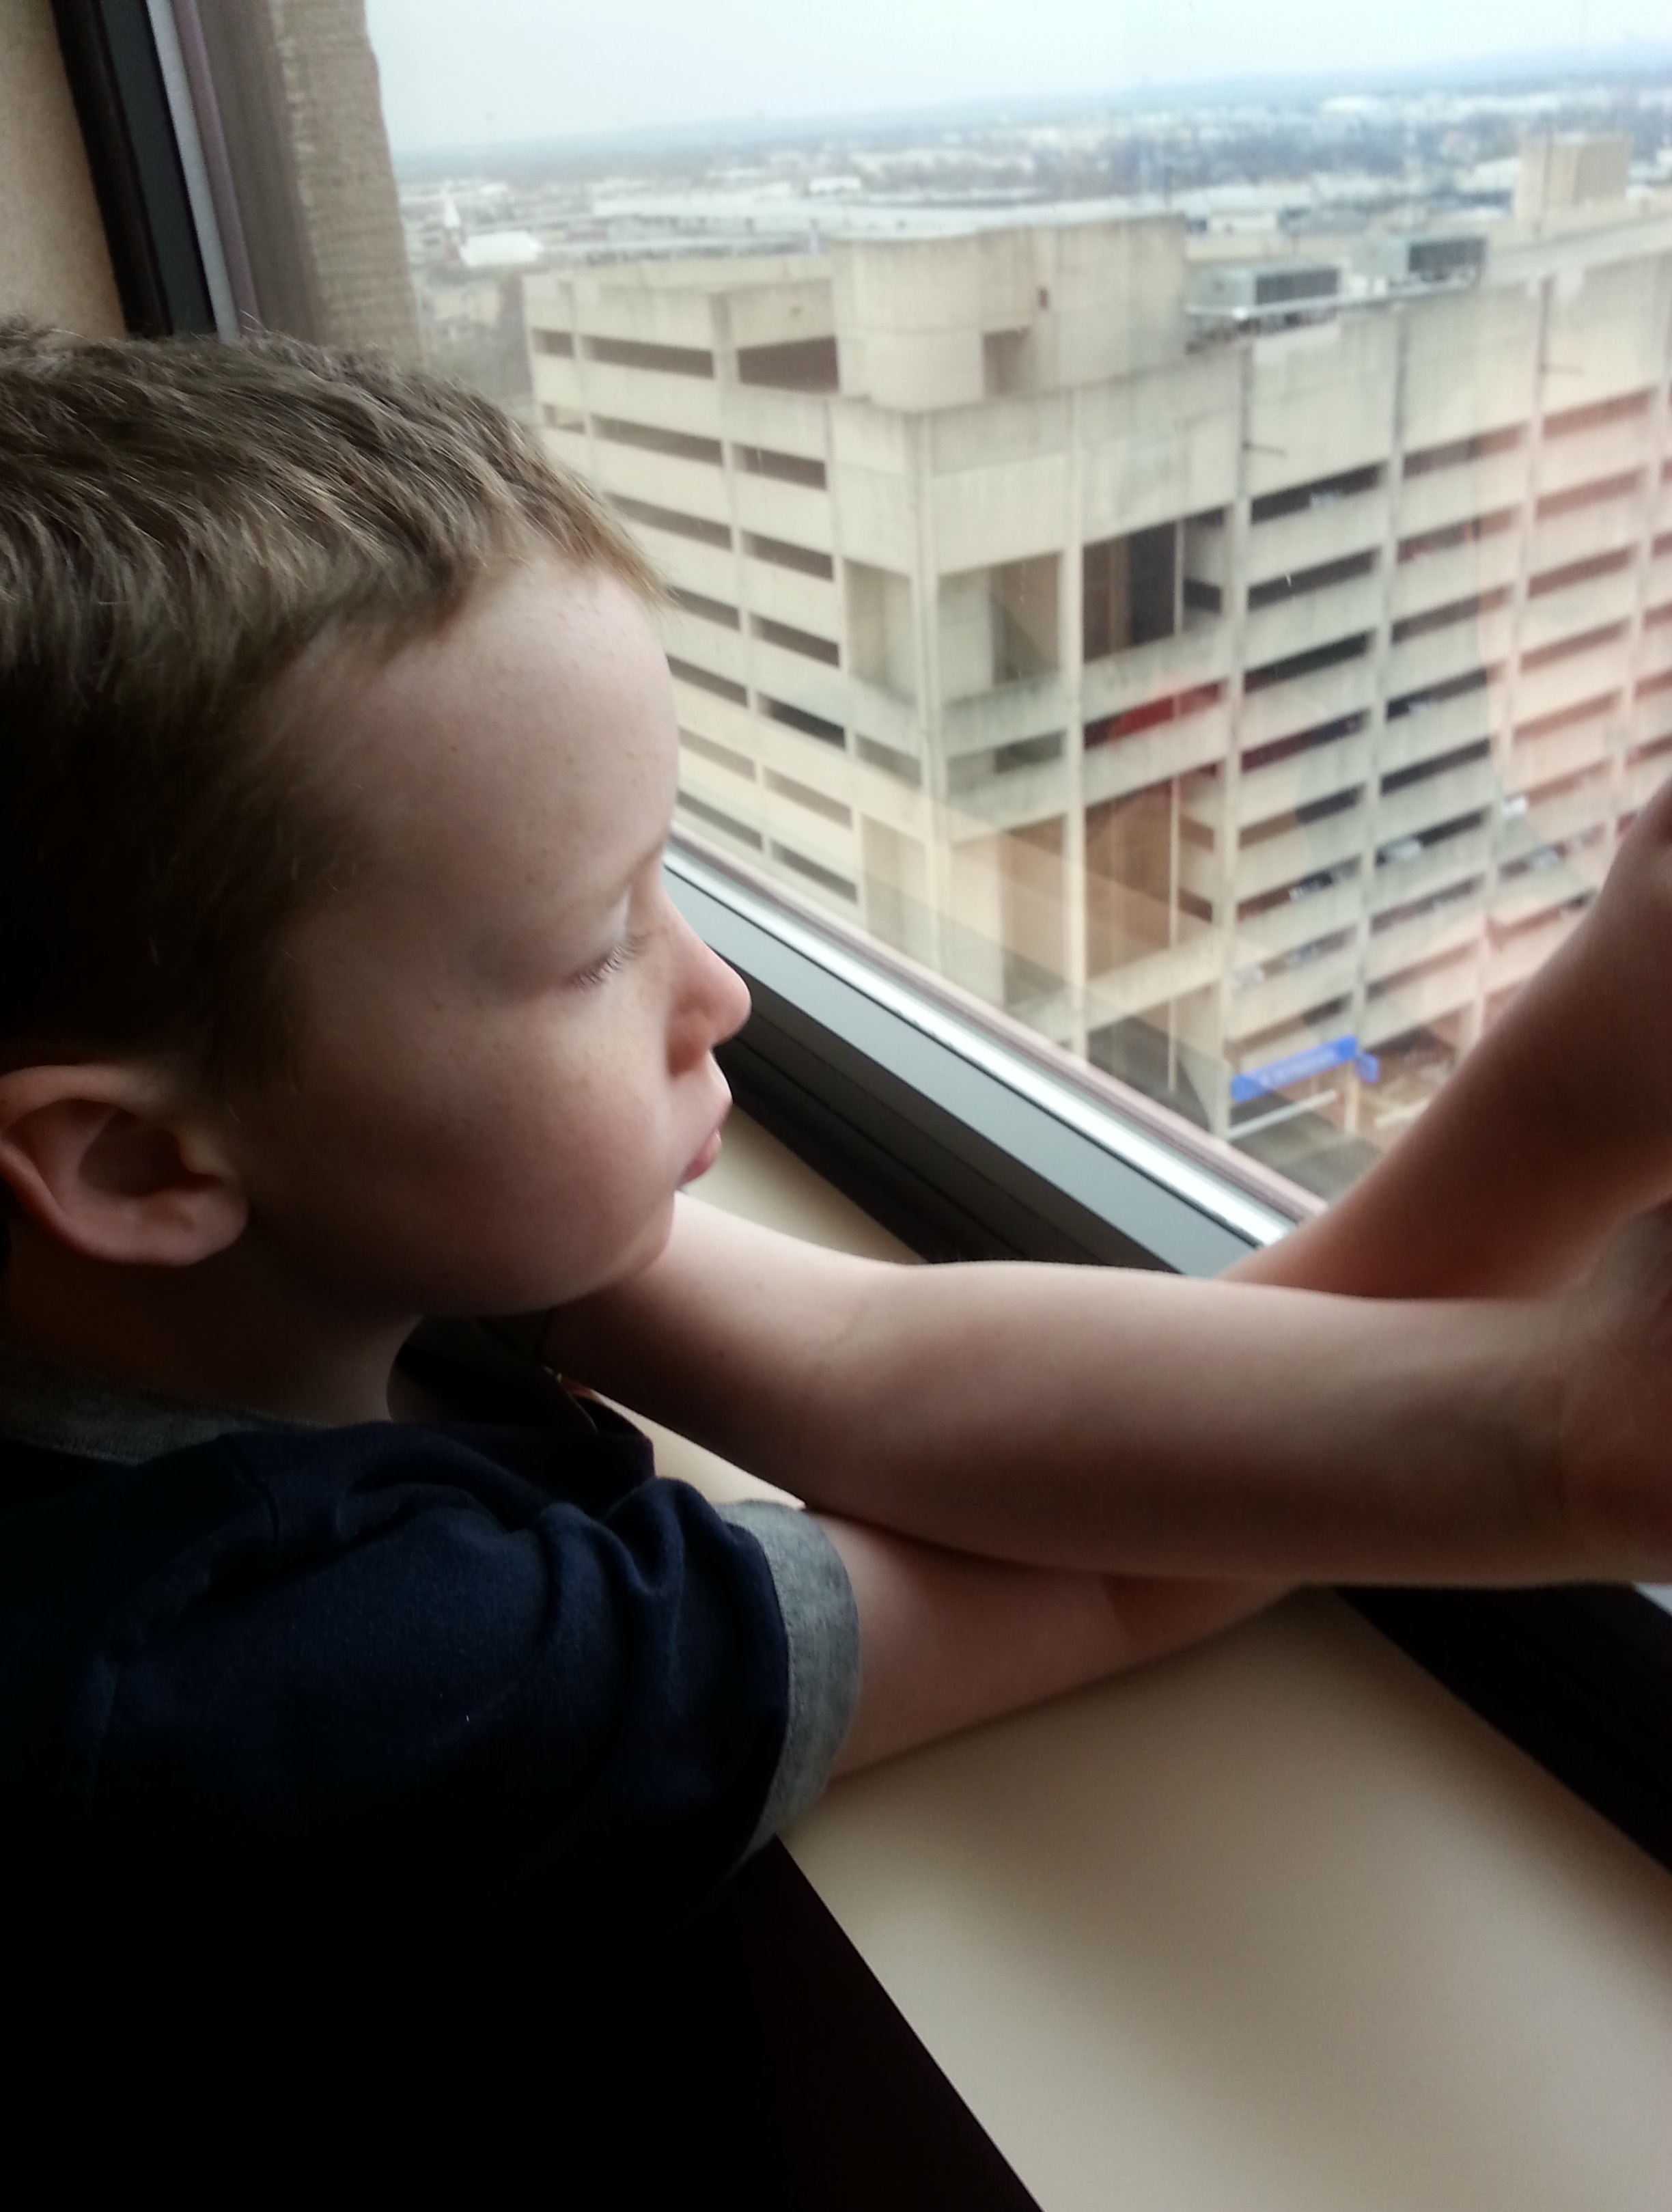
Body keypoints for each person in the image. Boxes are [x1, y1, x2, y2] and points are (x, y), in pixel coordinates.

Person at [1, 323, 1669, 1938]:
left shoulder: (295, 1230)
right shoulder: (289, 1688)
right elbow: (1107, 1572)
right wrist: (1568, 1381)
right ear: (135, 1163)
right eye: (598, 945)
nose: (719, 993)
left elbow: (875, 1366)